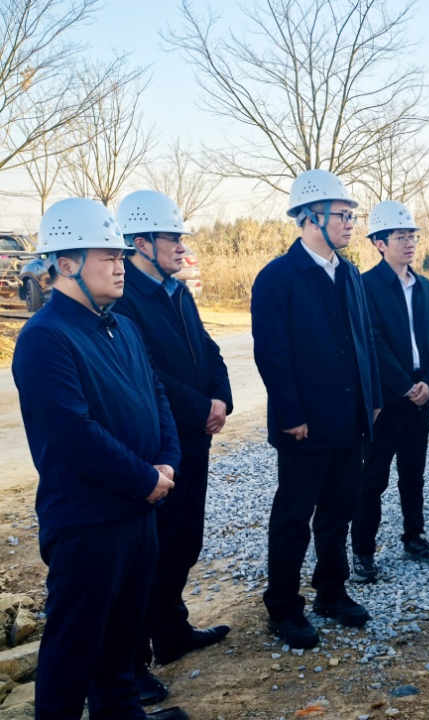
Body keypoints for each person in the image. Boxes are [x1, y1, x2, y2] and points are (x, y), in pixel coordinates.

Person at [12, 198, 188, 719]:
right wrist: (143, 477)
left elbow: (156, 396)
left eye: (120, 256)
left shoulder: (121, 326)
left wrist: (168, 461)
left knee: (121, 640)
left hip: (138, 510)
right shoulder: (44, 338)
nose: (119, 266)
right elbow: (75, 432)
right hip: (87, 522)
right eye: (106, 256)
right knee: (74, 648)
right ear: (66, 264)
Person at [251, 169, 382, 649]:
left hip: (349, 417)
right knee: (293, 517)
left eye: (351, 215)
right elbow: (272, 354)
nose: (350, 224)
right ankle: (283, 607)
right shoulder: (278, 278)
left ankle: (331, 591)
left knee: (339, 510)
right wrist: (291, 415)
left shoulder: (348, 273)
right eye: (342, 215)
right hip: (304, 425)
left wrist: (373, 399)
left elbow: (364, 340)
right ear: (309, 217)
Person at [113, 190, 233, 704]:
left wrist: (221, 398)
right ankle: (133, 662)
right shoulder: (124, 297)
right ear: (141, 242)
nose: (182, 247)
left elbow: (207, 347)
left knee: (185, 540)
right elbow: (148, 372)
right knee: (151, 554)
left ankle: (171, 630)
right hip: (160, 443)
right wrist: (199, 407)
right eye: (172, 238)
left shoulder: (177, 292)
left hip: (194, 440)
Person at [349, 200, 429, 583]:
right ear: (379, 243)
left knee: (413, 473)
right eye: (401, 237)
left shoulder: (425, 287)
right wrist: (405, 386)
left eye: (412, 237)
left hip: (420, 397)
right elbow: (372, 342)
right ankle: (363, 551)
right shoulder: (365, 286)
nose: (410, 243)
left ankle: (414, 536)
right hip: (386, 400)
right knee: (373, 478)